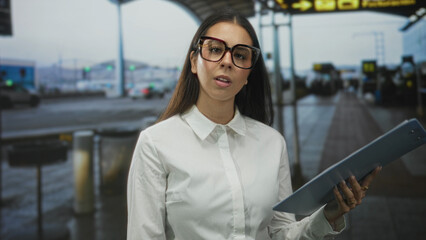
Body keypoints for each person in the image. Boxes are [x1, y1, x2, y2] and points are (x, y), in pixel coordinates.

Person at [127, 9, 381, 240]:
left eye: (239, 55)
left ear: (248, 74)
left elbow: (281, 232)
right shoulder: (156, 143)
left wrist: (328, 215)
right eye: (215, 49)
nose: (227, 61)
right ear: (194, 62)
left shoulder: (271, 142)